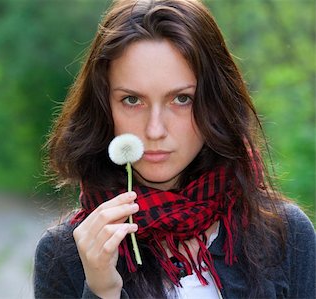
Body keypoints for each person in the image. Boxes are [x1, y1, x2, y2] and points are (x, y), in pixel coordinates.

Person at [34, 0, 316, 298]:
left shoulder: (285, 234)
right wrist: (102, 290)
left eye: (181, 99)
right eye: (132, 100)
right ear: (104, 108)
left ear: (215, 104)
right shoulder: (67, 253)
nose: (155, 130)